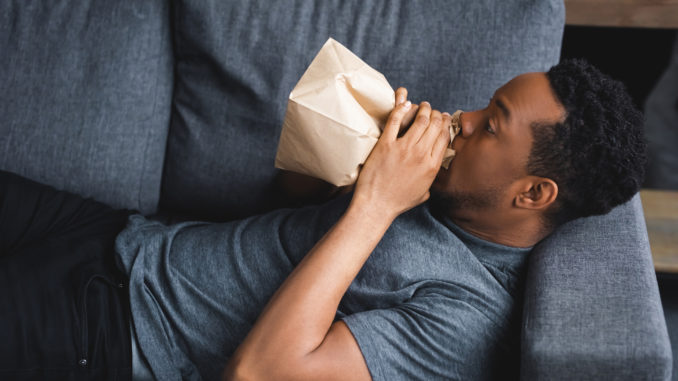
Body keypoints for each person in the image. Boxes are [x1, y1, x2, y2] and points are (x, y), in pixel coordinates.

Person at [0, 59, 645, 381]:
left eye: (491, 123)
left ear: (533, 193)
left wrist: (379, 203)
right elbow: (287, 195)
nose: (465, 120)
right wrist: (357, 149)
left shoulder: (464, 319)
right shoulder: (442, 188)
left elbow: (259, 373)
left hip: (112, 328)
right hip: (120, 235)